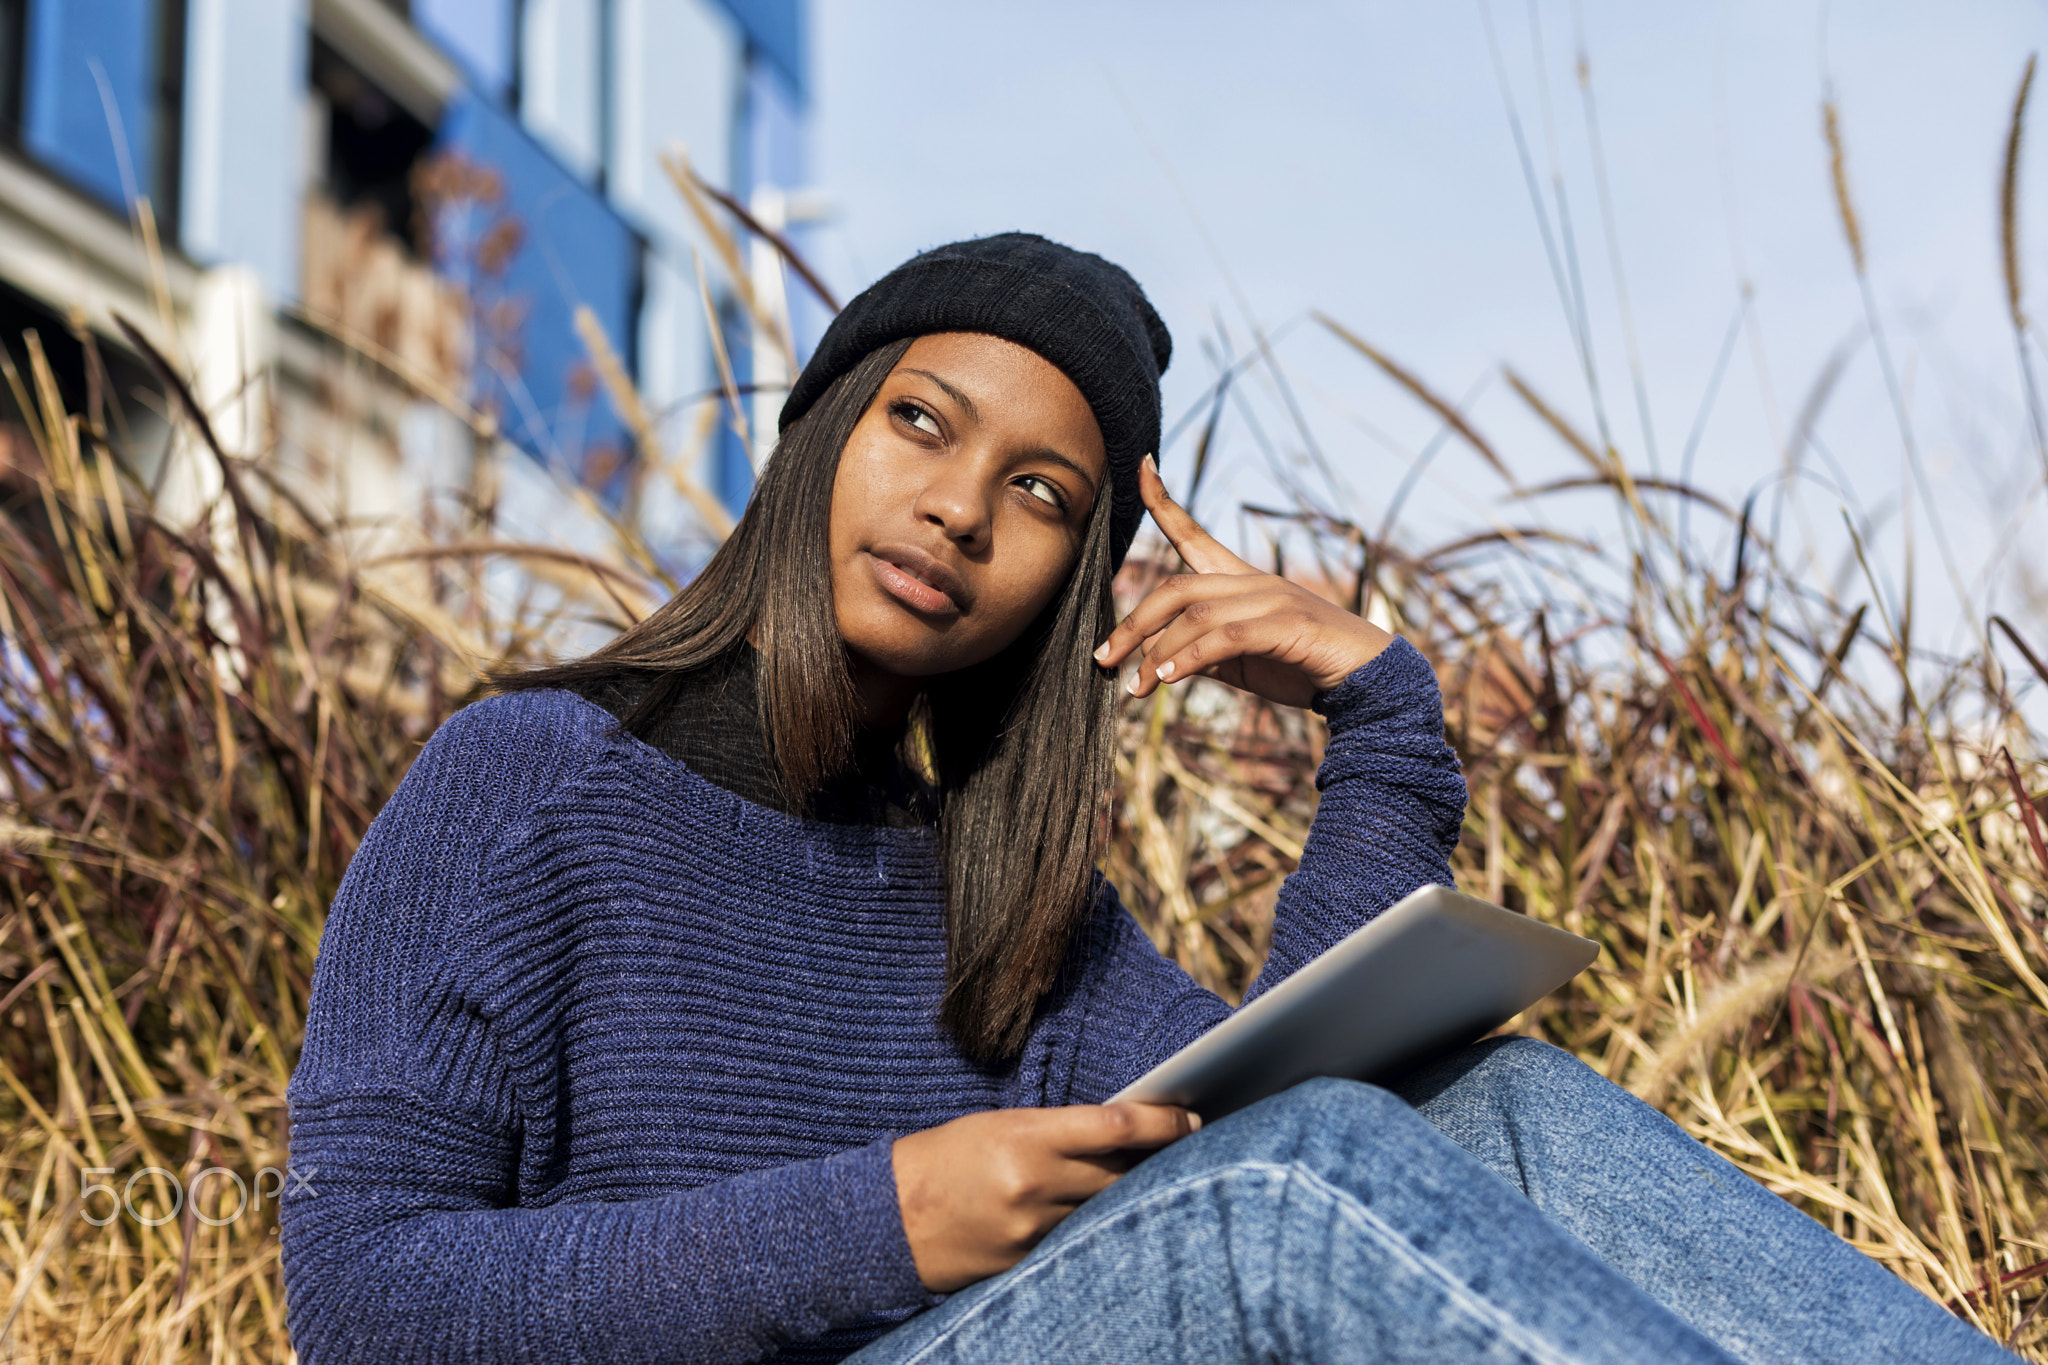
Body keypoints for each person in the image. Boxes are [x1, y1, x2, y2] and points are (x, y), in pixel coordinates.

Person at [278, 233, 2017, 1365]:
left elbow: (1342, 1120)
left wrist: (1381, 720)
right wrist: (882, 1217)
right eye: (919, 424)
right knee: (1289, 1186)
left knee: (1499, 1104)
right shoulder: (526, 786)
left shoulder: (1012, 905)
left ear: (1081, 571)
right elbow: (359, 1300)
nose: (959, 509)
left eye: (1039, 491)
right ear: (819, 435)